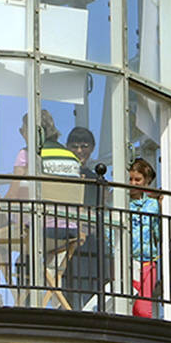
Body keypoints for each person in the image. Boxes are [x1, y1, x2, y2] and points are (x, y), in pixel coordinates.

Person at [61, 126, 106, 310]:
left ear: (93, 147)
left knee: (89, 279)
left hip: (91, 238)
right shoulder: (61, 176)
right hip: (67, 235)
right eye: (75, 146)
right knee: (67, 278)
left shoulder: (96, 178)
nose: (80, 151)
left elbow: (99, 207)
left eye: (84, 146)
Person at [126, 158, 161, 318]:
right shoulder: (122, 203)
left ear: (146, 181)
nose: (133, 183)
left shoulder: (152, 205)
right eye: (130, 179)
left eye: (137, 179)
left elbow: (157, 231)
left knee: (143, 309)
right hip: (127, 261)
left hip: (148, 261)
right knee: (130, 305)